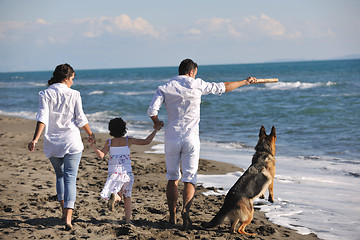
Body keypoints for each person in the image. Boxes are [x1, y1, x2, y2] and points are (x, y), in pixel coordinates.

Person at [147, 58, 257, 229]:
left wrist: (156, 122)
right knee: (190, 178)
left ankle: (172, 216)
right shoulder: (197, 84)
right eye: (195, 72)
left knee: (172, 177)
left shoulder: (165, 87)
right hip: (191, 138)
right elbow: (224, 87)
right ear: (192, 72)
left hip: (172, 137)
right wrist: (245, 82)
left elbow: (152, 111)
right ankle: (186, 213)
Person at [28, 63, 95, 231]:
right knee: (70, 177)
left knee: (60, 175)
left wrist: (35, 139)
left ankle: (62, 211)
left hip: (53, 142)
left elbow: (42, 117)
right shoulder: (75, 94)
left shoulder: (45, 93)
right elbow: (80, 118)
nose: (73, 82)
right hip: (71, 141)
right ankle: (68, 217)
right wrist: (90, 133)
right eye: (72, 79)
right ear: (66, 78)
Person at [91, 117, 161, 224]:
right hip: (126, 173)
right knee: (127, 197)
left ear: (111, 130)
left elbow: (101, 155)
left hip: (114, 173)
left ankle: (115, 196)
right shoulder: (128, 141)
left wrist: (94, 145)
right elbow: (147, 141)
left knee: (117, 193)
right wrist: (155, 130)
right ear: (124, 129)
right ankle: (128, 220)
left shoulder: (109, 143)